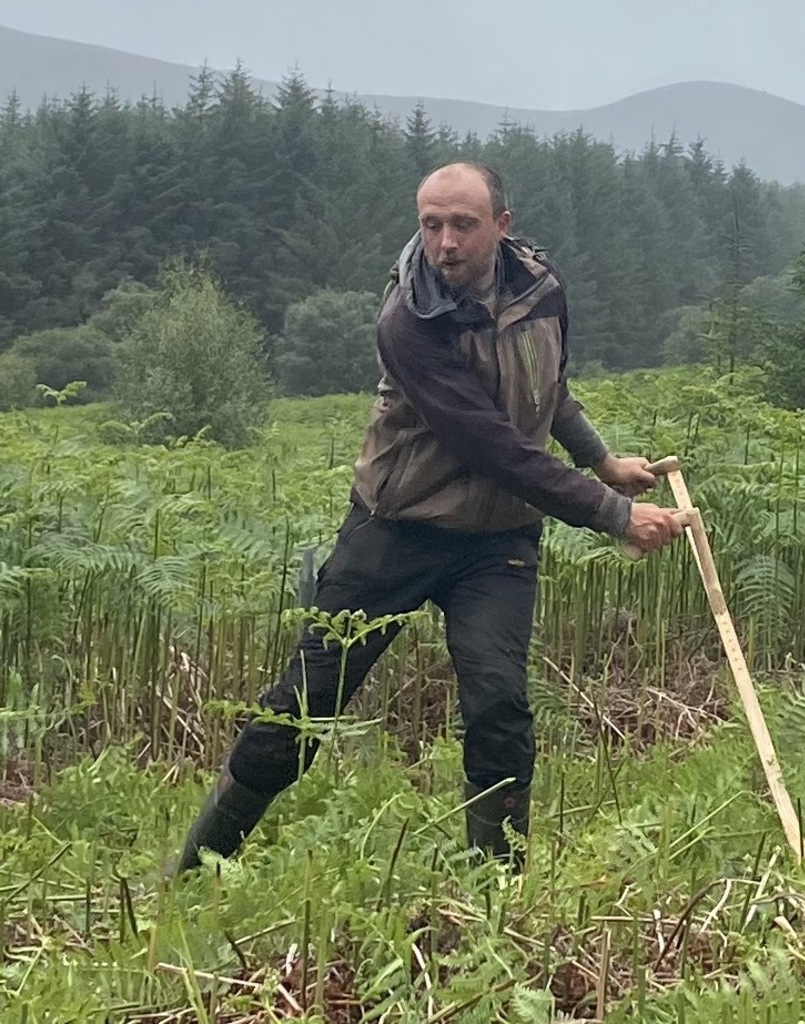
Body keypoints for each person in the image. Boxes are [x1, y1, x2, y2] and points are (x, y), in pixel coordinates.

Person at [173, 162, 682, 875]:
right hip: (394, 531)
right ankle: (193, 871)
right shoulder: (407, 322)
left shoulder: (541, 288)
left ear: (501, 227)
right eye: (430, 224)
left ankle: (494, 895)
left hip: (497, 540)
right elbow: (492, 444)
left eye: (463, 225)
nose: (445, 242)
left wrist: (600, 460)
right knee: (303, 706)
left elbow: (547, 389)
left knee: (500, 704)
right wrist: (612, 514)